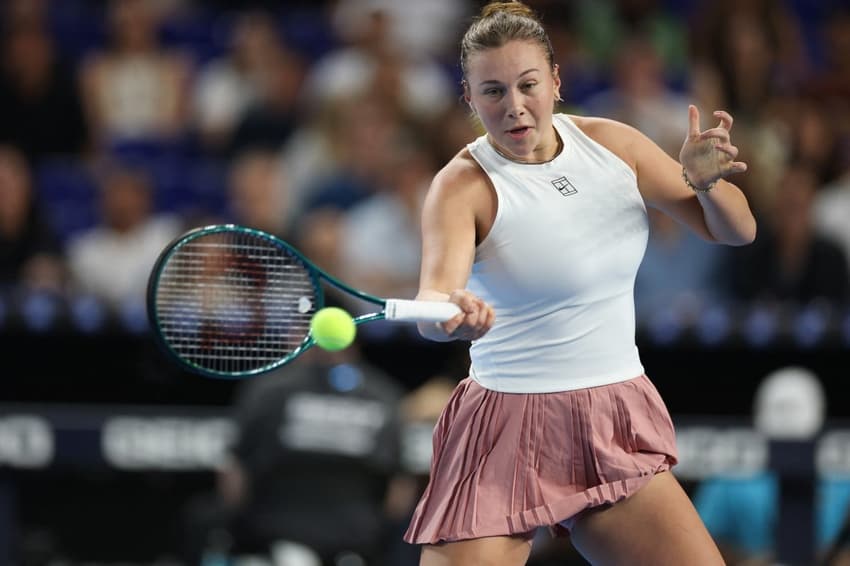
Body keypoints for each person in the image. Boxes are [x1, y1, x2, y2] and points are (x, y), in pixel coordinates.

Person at [401, 2, 757, 565]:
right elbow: (434, 300)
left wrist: (707, 184)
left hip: (610, 419)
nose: (514, 106)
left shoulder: (614, 146)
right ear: (469, 98)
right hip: (503, 428)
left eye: (528, 85)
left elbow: (737, 231)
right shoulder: (460, 186)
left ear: (556, 81)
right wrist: (451, 314)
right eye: (492, 91)